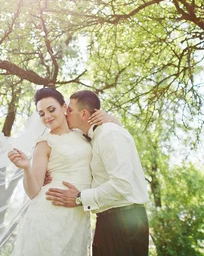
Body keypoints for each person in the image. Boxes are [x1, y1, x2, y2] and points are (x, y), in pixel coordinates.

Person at [46, 90, 150, 256]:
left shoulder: (109, 134)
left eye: (70, 110)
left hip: (124, 221)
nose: (66, 113)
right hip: (111, 221)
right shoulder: (94, 136)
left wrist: (80, 198)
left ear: (84, 113)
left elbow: (121, 184)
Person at [8, 87, 93, 255]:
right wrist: (26, 168)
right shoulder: (44, 143)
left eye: (51, 109)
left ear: (64, 107)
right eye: (41, 113)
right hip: (50, 213)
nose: (47, 116)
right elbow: (33, 192)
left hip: (78, 214)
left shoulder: (82, 134)